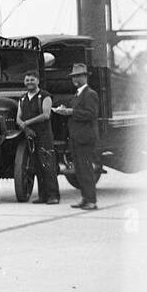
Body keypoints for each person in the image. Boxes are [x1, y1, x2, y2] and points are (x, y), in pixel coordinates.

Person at [56, 63, 101, 210]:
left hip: (85, 138)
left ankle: (91, 201)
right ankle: (85, 198)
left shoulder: (90, 94)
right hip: (76, 138)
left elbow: (91, 114)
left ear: (85, 77)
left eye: (78, 76)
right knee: (79, 170)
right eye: (74, 76)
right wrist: (66, 111)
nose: (75, 79)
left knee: (86, 169)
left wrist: (70, 112)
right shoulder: (78, 94)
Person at [15, 70, 59, 204]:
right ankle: (42, 196)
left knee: (48, 165)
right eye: (27, 80)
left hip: (44, 136)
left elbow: (46, 115)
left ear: (38, 81)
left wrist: (27, 123)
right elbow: (18, 117)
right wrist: (25, 128)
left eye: (32, 80)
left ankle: (53, 196)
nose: (29, 82)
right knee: (36, 166)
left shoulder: (45, 96)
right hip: (30, 136)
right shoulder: (22, 98)